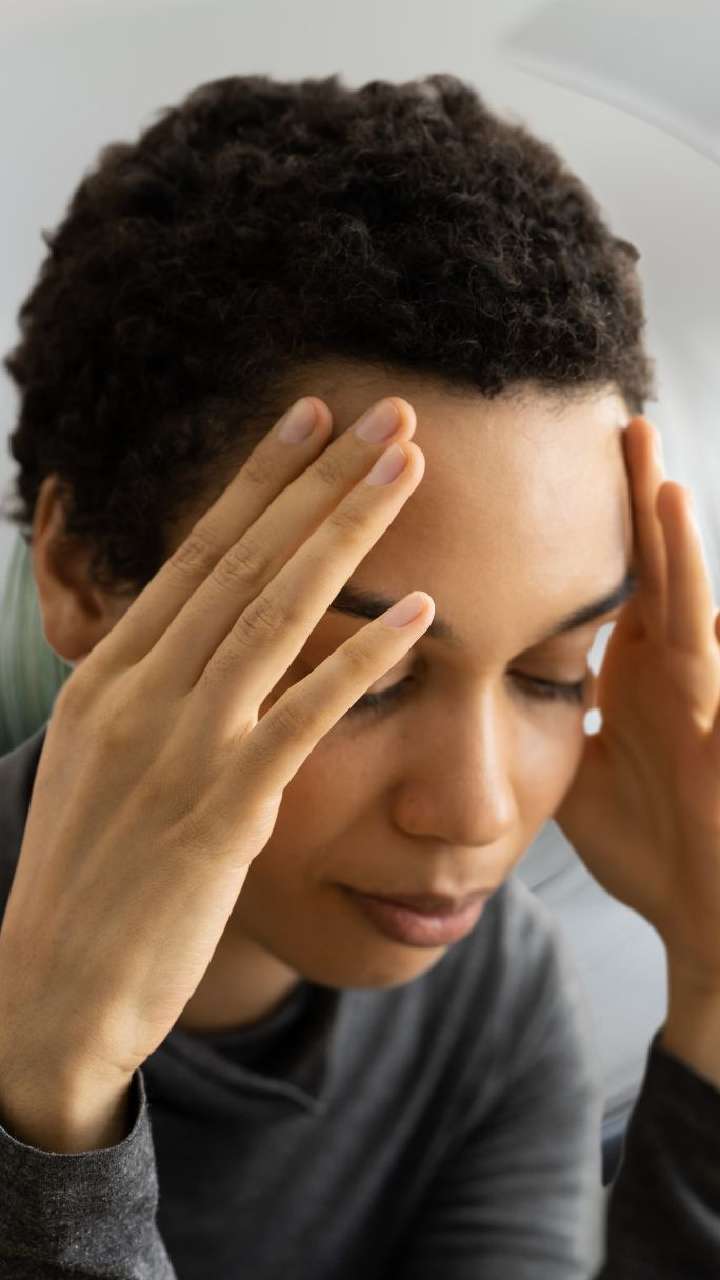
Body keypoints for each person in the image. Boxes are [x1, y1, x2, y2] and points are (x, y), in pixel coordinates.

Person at [0, 72, 719, 1279]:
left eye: (555, 672)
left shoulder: (498, 999)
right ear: (80, 571)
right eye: (360, 678)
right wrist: (49, 1097)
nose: (478, 813)